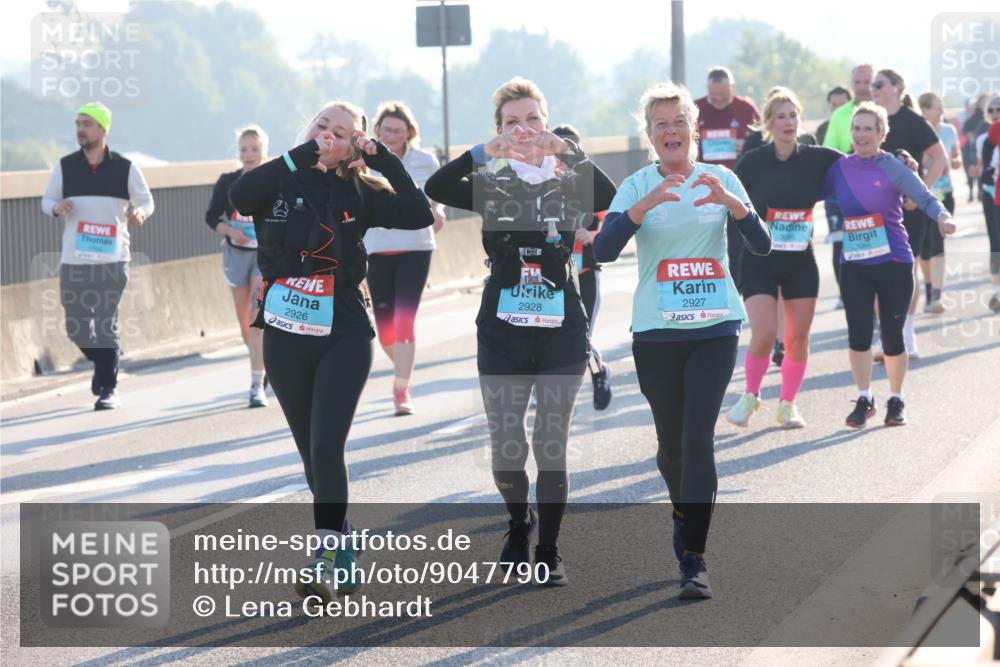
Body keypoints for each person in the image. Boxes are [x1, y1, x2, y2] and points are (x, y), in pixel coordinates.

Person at [229, 101, 433, 600]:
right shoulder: (279, 177)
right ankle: (342, 542)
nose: (327, 136)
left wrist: (380, 156)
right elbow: (241, 193)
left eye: (341, 133)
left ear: (352, 146)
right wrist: (299, 157)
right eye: (322, 125)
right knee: (309, 456)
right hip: (284, 330)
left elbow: (416, 212)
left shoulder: (360, 189)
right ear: (307, 129)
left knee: (326, 445)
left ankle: (324, 553)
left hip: (342, 329)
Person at [425, 77, 616, 587]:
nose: (524, 129)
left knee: (550, 441)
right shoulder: (492, 180)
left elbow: (610, 197)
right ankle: (518, 522)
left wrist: (568, 151)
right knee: (507, 446)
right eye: (512, 122)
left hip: (560, 330)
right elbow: (435, 188)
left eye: (533, 119)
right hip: (503, 329)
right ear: (500, 131)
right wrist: (481, 153)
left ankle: (549, 551)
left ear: (546, 123)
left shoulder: (568, 176)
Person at [594, 82, 770, 599]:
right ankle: (680, 508)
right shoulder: (634, 186)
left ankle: (694, 557)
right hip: (656, 331)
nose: (671, 131)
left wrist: (735, 206)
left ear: (694, 129)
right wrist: (641, 208)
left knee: (698, 440)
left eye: (678, 122)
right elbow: (603, 251)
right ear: (649, 136)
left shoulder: (722, 179)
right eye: (660, 125)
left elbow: (760, 245)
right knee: (671, 447)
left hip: (715, 326)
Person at [824, 102, 954, 428]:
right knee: (858, 334)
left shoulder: (893, 167)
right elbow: (806, 188)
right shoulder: (839, 167)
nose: (862, 134)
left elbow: (924, 198)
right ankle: (864, 397)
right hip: (854, 262)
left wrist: (943, 216)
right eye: (857, 128)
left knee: (892, 336)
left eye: (869, 128)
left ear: (882, 133)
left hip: (893, 261)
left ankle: (896, 399)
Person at [726, 88, 842, 430]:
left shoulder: (817, 158)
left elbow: (859, 163)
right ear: (768, 123)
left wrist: (898, 157)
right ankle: (750, 395)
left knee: (796, 340)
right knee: (762, 334)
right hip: (759, 260)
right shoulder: (753, 162)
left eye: (793, 115)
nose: (788, 122)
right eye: (781, 116)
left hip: (800, 262)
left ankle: (788, 404)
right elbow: (732, 206)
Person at [40, 101, 154, 411]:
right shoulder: (65, 166)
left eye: (87, 124)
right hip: (74, 261)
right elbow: (47, 198)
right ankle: (105, 360)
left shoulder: (125, 167)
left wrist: (140, 213)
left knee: (105, 324)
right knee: (76, 327)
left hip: (113, 260)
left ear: (103, 129)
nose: (80, 129)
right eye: (77, 123)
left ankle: (108, 387)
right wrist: (56, 207)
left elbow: (146, 201)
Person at [363, 101, 446, 415]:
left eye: (398, 130)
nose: (393, 135)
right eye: (387, 130)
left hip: (416, 247)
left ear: (409, 132)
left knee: (404, 321)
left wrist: (437, 209)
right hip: (376, 249)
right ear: (378, 131)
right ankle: (404, 367)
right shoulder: (365, 161)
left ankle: (401, 388)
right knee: (384, 329)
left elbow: (438, 193)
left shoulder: (424, 160)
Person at [871, 69, 947, 358]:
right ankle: (886, 334)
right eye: (872, 84)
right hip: (876, 208)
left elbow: (939, 157)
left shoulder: (913, 120)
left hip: (908, 209)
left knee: (906, 269)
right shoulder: (872, 121)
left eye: (880, 84)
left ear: (897, 88)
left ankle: (907, 333)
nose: (874, 88)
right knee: (877, 268)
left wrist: (921, 192)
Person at [205, 125, 269, 408]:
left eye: (255, 148)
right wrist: (230, 231)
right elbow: (211, 216)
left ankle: (256, 385)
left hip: (264, 257)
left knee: (257, 315)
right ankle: (262, 364)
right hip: (236, 255)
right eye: (244, 149)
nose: (249, 154)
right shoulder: (228, 181)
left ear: (264, 150)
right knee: (245, 324)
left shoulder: (273, 178)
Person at [552, 123, 613, 410]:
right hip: (554, 278)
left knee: (581, 338)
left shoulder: (590, 184)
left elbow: (609, 220)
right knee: (555, 338)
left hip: (586, 273)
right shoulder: (542, 183)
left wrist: (592, 234)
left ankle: (599, 372)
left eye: (571, 149)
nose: (564, 155)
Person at [693, 67, 762, 292]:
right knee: (705, 243)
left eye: (724, 95)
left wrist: (747, 144)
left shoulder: (746, 109)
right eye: (715, 96)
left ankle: (736, 290)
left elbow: (764, 144)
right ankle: (707, 288)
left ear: (732, 88)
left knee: (737, 246)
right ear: (707, 90)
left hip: (736, 188)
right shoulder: (696, 109)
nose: (719, 100)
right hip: (702, 187)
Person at [917, 92, 961, 314]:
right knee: (923, 249)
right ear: (924, 109)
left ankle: (936, 296)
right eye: (938, 107)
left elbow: (956, 156)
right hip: (921, 197)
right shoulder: (918, 132)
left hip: (944, 194)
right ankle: (928, 287)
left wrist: (954, 161)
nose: (942, 111)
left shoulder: (949, 130)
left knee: (937, 244)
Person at [973, 98, 1000, 313]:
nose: (994, 112)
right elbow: (983, 163)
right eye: (990, 110)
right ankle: (997, 290)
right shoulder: (987, 135)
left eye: (998, 109)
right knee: (995, 241)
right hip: (992, 194)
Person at [823, 64, 875, 154]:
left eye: (867, 82)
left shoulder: (886, 111)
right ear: (851, 84)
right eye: (857, 82)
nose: (862, 87)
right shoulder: (838, 115)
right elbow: (828, 152)